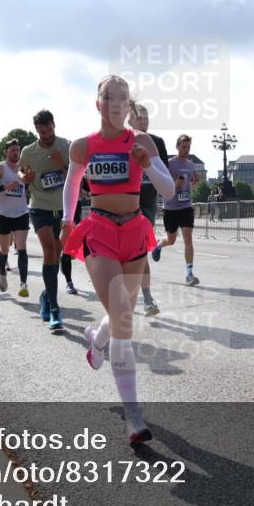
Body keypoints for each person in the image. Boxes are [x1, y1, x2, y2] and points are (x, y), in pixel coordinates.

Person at [60, 75, 175, 445]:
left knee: (119, 312)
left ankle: (96, 342)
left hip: (135, 232)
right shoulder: (83, 146)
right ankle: (134, 416)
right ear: (98, 103)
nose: (115, 103)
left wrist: (149, 165)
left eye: (122, 98)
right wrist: (67, 217)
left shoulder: (141, 141)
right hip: (100, 231)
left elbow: (169, 190)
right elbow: (73, 184)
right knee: (124, 314)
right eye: (108, 97)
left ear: (129, 106)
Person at [19, 109, 71, 330]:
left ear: (54, 125)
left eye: (49, 130)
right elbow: (21, 172)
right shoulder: (29, 151)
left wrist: (61, 164)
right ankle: (55, 310)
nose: (46, 135)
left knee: (57, 255)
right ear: (37, 131)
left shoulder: (67, 146)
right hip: (39, 206)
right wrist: (25, 177)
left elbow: (77, 178)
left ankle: (46, 296)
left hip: (63, 207)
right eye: (42, 132)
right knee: (49, 250)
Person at [128, 101, 168, 316]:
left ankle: (147, 298)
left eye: (146, 118)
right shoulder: (122, 139)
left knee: (141, 249)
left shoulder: (157, 142)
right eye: (139, 117)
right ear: (129, 120)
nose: (143, 121)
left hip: (148, 202)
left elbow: (165, 173)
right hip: (126, 201)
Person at [151, 134, 200, 286]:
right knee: (171, 240)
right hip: (171, 207)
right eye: (184, 147)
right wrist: (174, 184)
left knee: (188, 237)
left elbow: (191, 185)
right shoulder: (170, 164)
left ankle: (190, 274)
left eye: (188, 147)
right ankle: (158, 246)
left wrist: (195, 182)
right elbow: (162, 183)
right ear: (177, 146)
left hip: (186, 206)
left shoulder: (191, 165)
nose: (186, 150)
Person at [0, 139, 30, 295]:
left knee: (22, 247)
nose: (16, 152)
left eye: (18, 150)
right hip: (3, 214)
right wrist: (6, 186)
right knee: (4, 249)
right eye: (12, 150)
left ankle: (23, 284)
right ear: (6, 152)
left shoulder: (23, 167)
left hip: (22, 213)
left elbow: (30, 186)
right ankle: (2, 273)